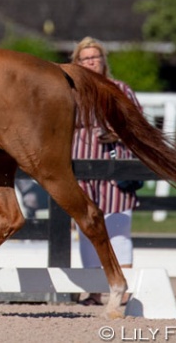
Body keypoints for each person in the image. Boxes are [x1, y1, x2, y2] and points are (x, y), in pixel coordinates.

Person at [71, 36, 142, 306]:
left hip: (114, 162)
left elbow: (139, 125)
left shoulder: (120, 89)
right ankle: (94, 287)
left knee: (117, 224)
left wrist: (118, 132)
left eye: (94, 57)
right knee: (87, 225)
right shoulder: (70, 92)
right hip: (79, 162)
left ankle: (123, 286)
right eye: (85, 58)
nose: (90, 62)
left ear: (103, 61)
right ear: (76, 62)